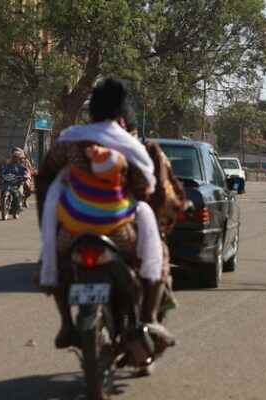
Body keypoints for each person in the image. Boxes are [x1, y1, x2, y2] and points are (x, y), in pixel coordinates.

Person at [35, 78, 173, 359]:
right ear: (122, 113)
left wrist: (50, 215)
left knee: (55, 261)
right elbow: (145, 187)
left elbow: (47, 173)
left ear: (92, 109)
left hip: (73, 231)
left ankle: (65, 324)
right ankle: (148, 319)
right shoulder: (129, 144)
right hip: (118, 231)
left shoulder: (71, 138)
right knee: (158, 256)